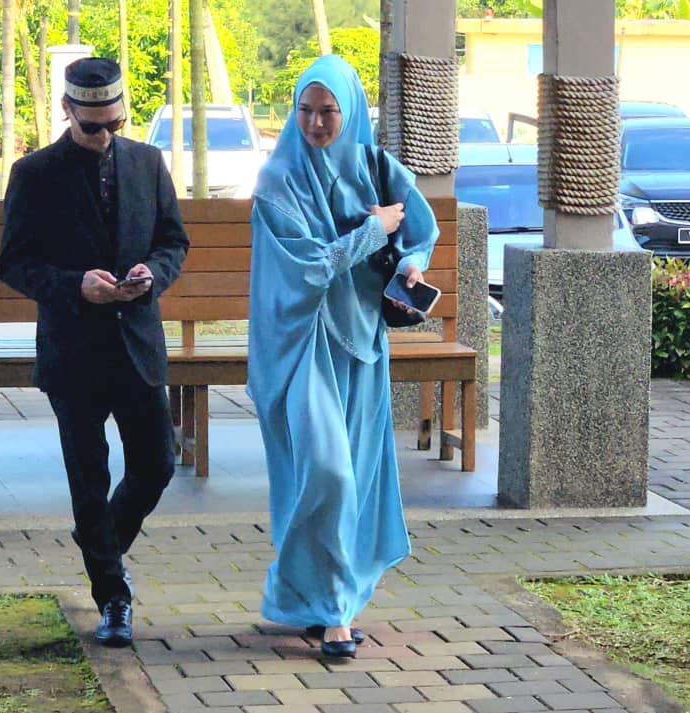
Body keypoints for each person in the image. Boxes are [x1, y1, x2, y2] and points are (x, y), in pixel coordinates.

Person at [247, 55, 439, 658]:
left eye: (328, 111)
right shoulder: (278, 180)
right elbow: (308, 267)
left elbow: (420, 228)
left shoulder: (374, 166)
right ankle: (327, 608)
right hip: (300, 347)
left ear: (350, 110)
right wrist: (373, 231)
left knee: (354, 476)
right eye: (305, 110)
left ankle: (329, 604)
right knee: (326, 472)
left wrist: (412, 263)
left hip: (362, 345)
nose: (315, 123)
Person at [0, 57, 189, 647]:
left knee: (157, 465)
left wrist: (152, 275)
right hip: (73, 350)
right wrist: (75, 285)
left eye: (115, 123)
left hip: (137, 344)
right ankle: (113, 597)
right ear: (67, 111)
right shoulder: (34, 174)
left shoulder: (148, 162)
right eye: (92, 126)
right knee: (89, 477)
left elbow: (172, 241)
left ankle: (98, 542)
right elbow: (14, 263)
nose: (105, 135)